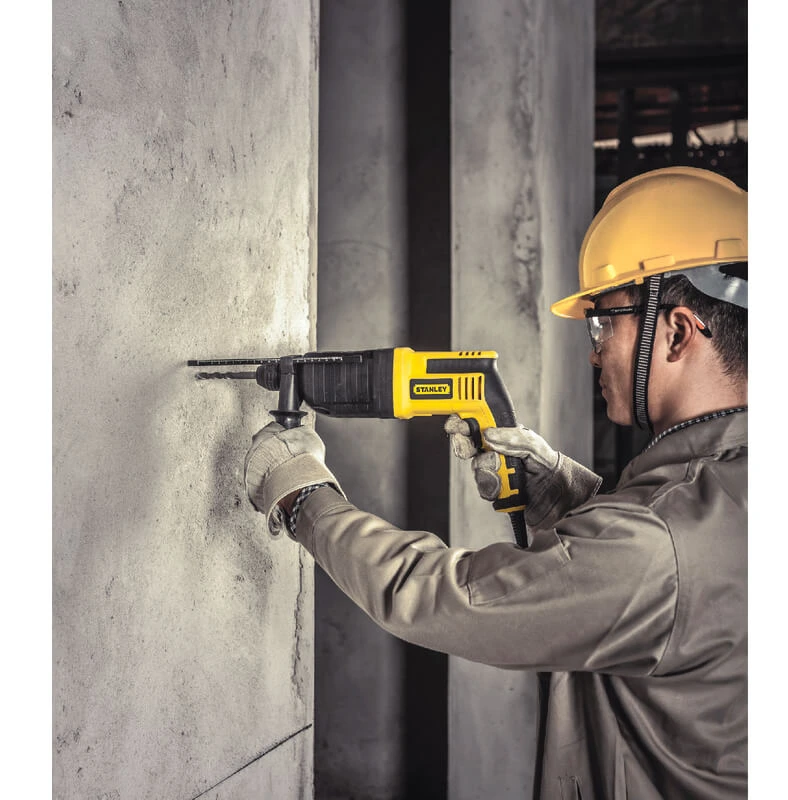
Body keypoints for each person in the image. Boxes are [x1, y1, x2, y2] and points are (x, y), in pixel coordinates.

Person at [243, 166, 747, 799]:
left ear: (675, 332)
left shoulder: (659, 547)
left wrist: (301, 496)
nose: (593, 351)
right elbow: (675, 579)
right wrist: (565, 493)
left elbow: (445, 597)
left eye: (602, 323)